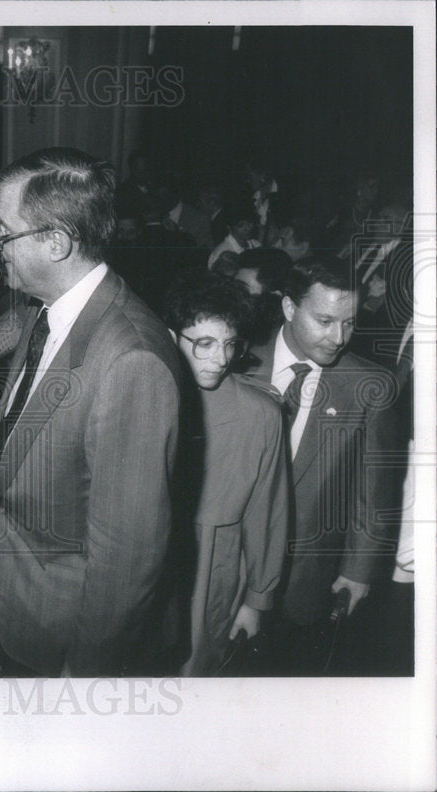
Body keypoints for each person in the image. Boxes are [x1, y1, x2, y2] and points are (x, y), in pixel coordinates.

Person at [0, 148, 183, 676]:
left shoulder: (131, 361)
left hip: (70, 635)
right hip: (25, 604)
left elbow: (126, 560)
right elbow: (30, 415)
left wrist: (85, 679)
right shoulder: (48, 310)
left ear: (56, 243)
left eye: (3, 232)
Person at [241, 256, 401, 673]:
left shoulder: (370, 387)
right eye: (325, 321)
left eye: (349, 323)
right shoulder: (237, 361)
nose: (338, 338)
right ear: (289, 307)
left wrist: (358, 571)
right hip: (232, 567)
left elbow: (375, 491)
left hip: (309, 578)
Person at [164, 271, 289, 675]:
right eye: (204, 343)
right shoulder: (145, 396)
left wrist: (256, 600)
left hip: (215, 572)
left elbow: (267, 512)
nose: (220, 359)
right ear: (172, 337)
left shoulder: (261, 414)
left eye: (229, 344)